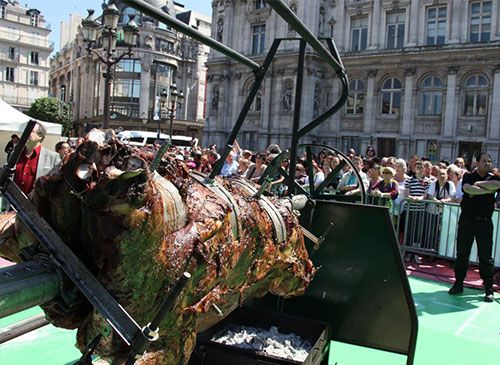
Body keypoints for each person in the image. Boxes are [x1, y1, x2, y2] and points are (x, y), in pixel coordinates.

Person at [449, 153, 500, 302]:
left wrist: (478, 186)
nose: (487, 163)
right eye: (484, 161)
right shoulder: (469, 176)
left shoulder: (494, 177)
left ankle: (488, 289)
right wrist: (486, 190)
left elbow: (496, 186)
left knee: (486, 256)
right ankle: (458, 284)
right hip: (467, 221)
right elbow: (468, 189)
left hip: (484, 222)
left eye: (489, 161)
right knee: (462, 253)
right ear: (477, 162)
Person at [13, 123, 60, 195]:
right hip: (14, 203)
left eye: (30, 131)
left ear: (40, 136)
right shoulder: (15, 154)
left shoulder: (53, 157)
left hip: (38, 204)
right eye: (25, 131)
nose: (25, 134)